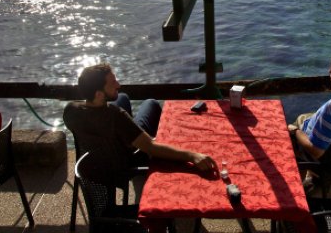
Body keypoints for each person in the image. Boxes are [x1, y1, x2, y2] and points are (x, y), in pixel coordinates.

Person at [63, 63, 216, 172]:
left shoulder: (70, 111)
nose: (118, 84)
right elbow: (151, 147)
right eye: (113, 82)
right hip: (126, 160)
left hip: (95, 163)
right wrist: (192, 155)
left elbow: (97, 115)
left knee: (121, 97)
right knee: (151, 103)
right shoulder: (116, 116)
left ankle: (129, 129)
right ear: (98, 94)